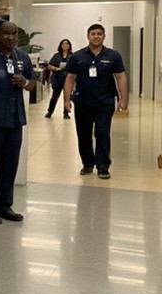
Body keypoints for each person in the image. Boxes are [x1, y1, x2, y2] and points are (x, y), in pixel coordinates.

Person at [0, 18, 36, 224]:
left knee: (10, 164)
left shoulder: (23, 57)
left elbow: (33, 84)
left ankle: (5, 205)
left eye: (14, 34)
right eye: (6, 34)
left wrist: (25, 82)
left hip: (14, 120)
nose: (10, 38)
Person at [62, 22, 129, 179]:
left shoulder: (113, 56)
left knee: (102, 132)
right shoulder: (77, 57)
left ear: (104, 36)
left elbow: (121, 77)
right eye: (93, 34)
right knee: (83, 134)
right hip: (83, 101)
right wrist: (66, 100)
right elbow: (70, 79)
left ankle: (103, 166)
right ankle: (87, 163)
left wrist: (123, 99)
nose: (96, 36)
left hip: (105, 102)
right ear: (88, 36)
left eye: (99, 34)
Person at [43, 38, 73, 119]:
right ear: (60, 45)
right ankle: (50, 111)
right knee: (55, 96)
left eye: (67, 44)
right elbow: (49, 66)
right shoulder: (56, 56)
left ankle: (66, 113)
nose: (65, 45)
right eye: (63, 44)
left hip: (68, 79)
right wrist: (56, 68)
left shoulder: (72, 56)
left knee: (67, 97)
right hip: (57, 78)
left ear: (69, 45)